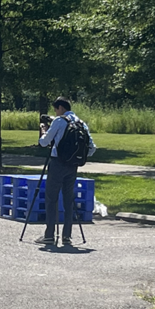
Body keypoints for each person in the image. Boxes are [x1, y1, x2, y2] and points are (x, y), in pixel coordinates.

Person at [35, 97, 96, 246]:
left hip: (57, 163)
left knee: (51, 199)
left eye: (56, 109)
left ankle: (49, 235)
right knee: (69, 200)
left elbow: (44, 142)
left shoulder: (59, 121)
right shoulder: (81, 123)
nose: (55, 113)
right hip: (72, 166)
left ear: (61, 108)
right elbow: (92, 148)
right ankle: (66, 236)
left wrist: (44, 130)